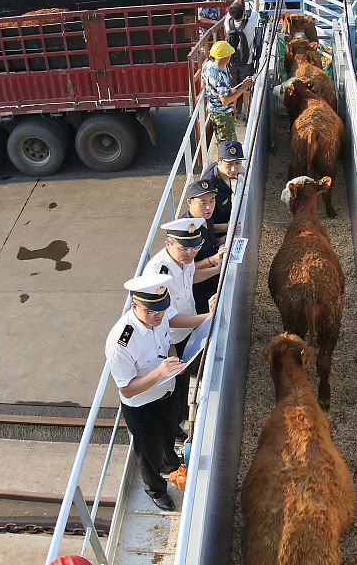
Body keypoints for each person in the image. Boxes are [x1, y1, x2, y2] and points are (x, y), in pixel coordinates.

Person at [106, 274, 185, 511]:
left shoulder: (159, 318)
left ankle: (170, 462)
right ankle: (156, 490)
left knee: (169, 433)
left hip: (167, 393)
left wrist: (173, 360)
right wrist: (160, 373)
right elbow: (127, 389)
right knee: (149, 451)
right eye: (151, 311)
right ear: (135, 307)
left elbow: (169, 343)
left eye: (162, 309)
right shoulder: (121, 342)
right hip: (143, 407)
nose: (159, 316)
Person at [143, 219, 220, 443]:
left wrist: (217, 269)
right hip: (168, 340)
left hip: (187, 331)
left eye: (195, 247)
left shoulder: (184, 259)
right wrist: (207, 317)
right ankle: (171, 432)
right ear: (168, 244)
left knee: (183, 382)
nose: (190, 253)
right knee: (170, 389)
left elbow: (190, 278)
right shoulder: (157, 274)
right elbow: (169, 319)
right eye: (184, 248)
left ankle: (179, 420)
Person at [182, 179, 225, 314]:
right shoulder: (184, 230)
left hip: (211, 284)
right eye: (203, 202)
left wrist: (221, 241)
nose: (208, 207)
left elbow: (209, 241)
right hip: (196, 293)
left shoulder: (205, 217)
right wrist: (212, 260)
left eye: (212, 201)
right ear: (190, 202)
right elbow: (183, 270)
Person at [225, 0, 264, 120]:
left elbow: (232, 7)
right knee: (246, 88)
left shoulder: (227, 23)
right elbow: (256, 8)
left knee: (233, 86)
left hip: (230, 61)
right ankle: (248, 114)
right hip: (246, 61)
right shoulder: (250, 23)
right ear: (243, 13)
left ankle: (234, 113)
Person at [201, 42, 252, 146]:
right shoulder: (221, 76)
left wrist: (227, 91)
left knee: (221, 140)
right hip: (223, 115)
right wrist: (243, 88)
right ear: (225, 58)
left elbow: (203, 85)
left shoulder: (207, 65)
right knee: (228, 145)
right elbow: (225, 101)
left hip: (213, 110)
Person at [200, 139, 245, 237]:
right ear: (219, 161)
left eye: (237, 163)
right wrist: (228, 227)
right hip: (217, 238)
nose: (233, 169)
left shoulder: (221, 171)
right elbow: (202, 224)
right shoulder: (209, 187)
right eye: (229, 164)